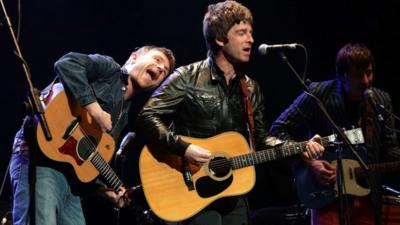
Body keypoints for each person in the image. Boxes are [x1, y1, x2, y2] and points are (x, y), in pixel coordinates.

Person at [136, 1, 324, 225]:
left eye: (251, 33)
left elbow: (261, 140)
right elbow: (147, 116)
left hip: (233, 195)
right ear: (220, 38)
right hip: (191, 192)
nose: (251, 40)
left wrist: (300, 148)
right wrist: (184, 149)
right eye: (242, 33)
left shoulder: (251, 88)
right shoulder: (186, 77)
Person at [9, 45, 175, 225]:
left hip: (71, 184)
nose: (160, 69)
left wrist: (104, 190)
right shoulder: (109, 69)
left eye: (164, 71)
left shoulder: (125, 116)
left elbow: (86, 158)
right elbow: (66, 63)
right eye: (157, 60)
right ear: (134, 57)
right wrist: (94, 108)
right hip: (41, 160)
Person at [269, 43, 400, 225]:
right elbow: (277, 131)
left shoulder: (381, 99)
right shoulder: (319, 94)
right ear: (343, 75)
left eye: (369, 73)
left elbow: (390, 149)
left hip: (366, 196)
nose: (366, 81)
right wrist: (310, 162)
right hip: (325, 195)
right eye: (358, 75)